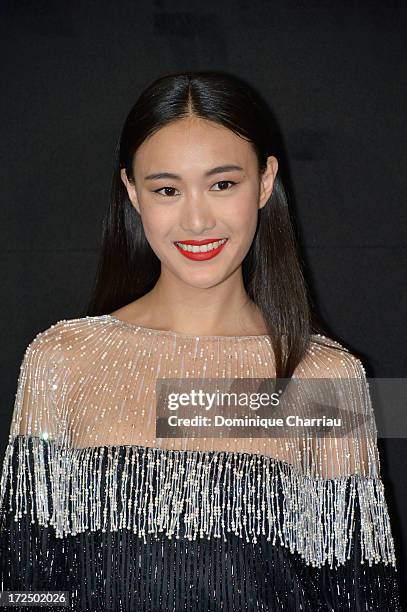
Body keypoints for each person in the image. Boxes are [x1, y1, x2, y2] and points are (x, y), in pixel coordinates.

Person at [0, 71, 402, 611]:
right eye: (167, 189)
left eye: (222, 184)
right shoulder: (61, 363)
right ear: (132, 193)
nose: (195, 219)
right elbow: (30, 586)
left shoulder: (325, 380)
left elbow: (357, 595)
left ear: (264, 183)